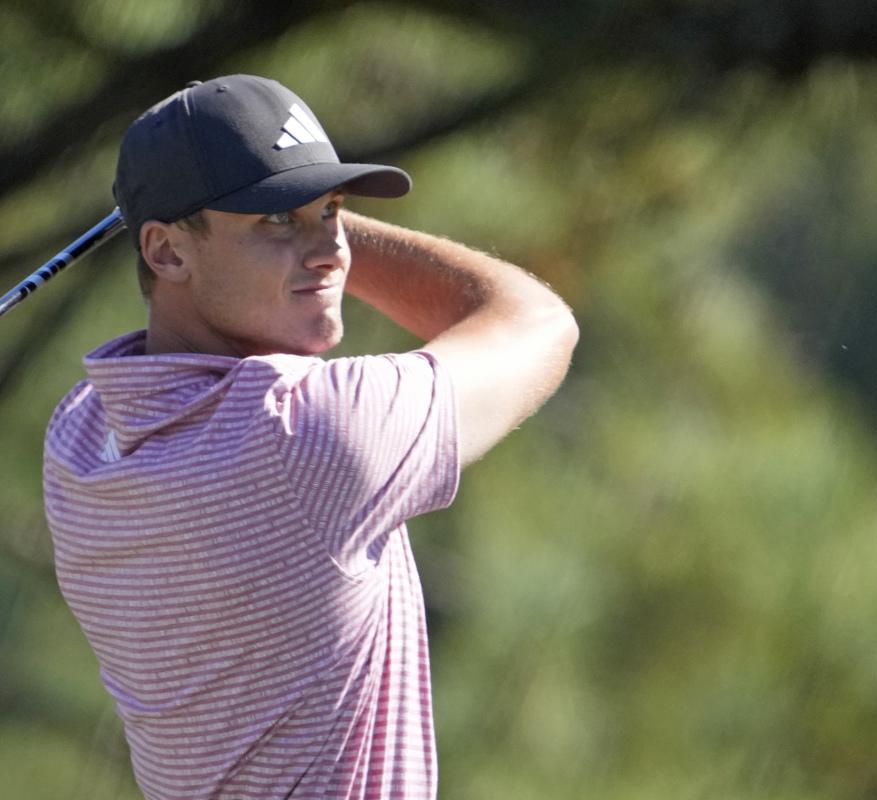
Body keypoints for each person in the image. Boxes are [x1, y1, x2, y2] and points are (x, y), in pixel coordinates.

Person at [43, 75, 578, 799]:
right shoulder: (306, 432)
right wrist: (329, 224)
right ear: (165, 253)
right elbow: (537, 322)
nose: (330, 251)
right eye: (276, 221)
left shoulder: (79, 441)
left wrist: (271, 218)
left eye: (333, 211)